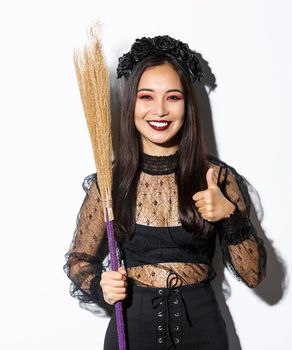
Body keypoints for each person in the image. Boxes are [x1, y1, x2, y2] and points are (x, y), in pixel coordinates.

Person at [63, 35, 266, 349]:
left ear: (187, 106)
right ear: (132, 104)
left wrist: (229, 216)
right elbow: (78, 260)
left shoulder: (215, 176)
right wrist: (100, 284)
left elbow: (253, 275)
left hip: (203, 332)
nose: (159, 110)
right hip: (131, 331)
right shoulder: (109, 182)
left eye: (173, 98)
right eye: (147, 97)